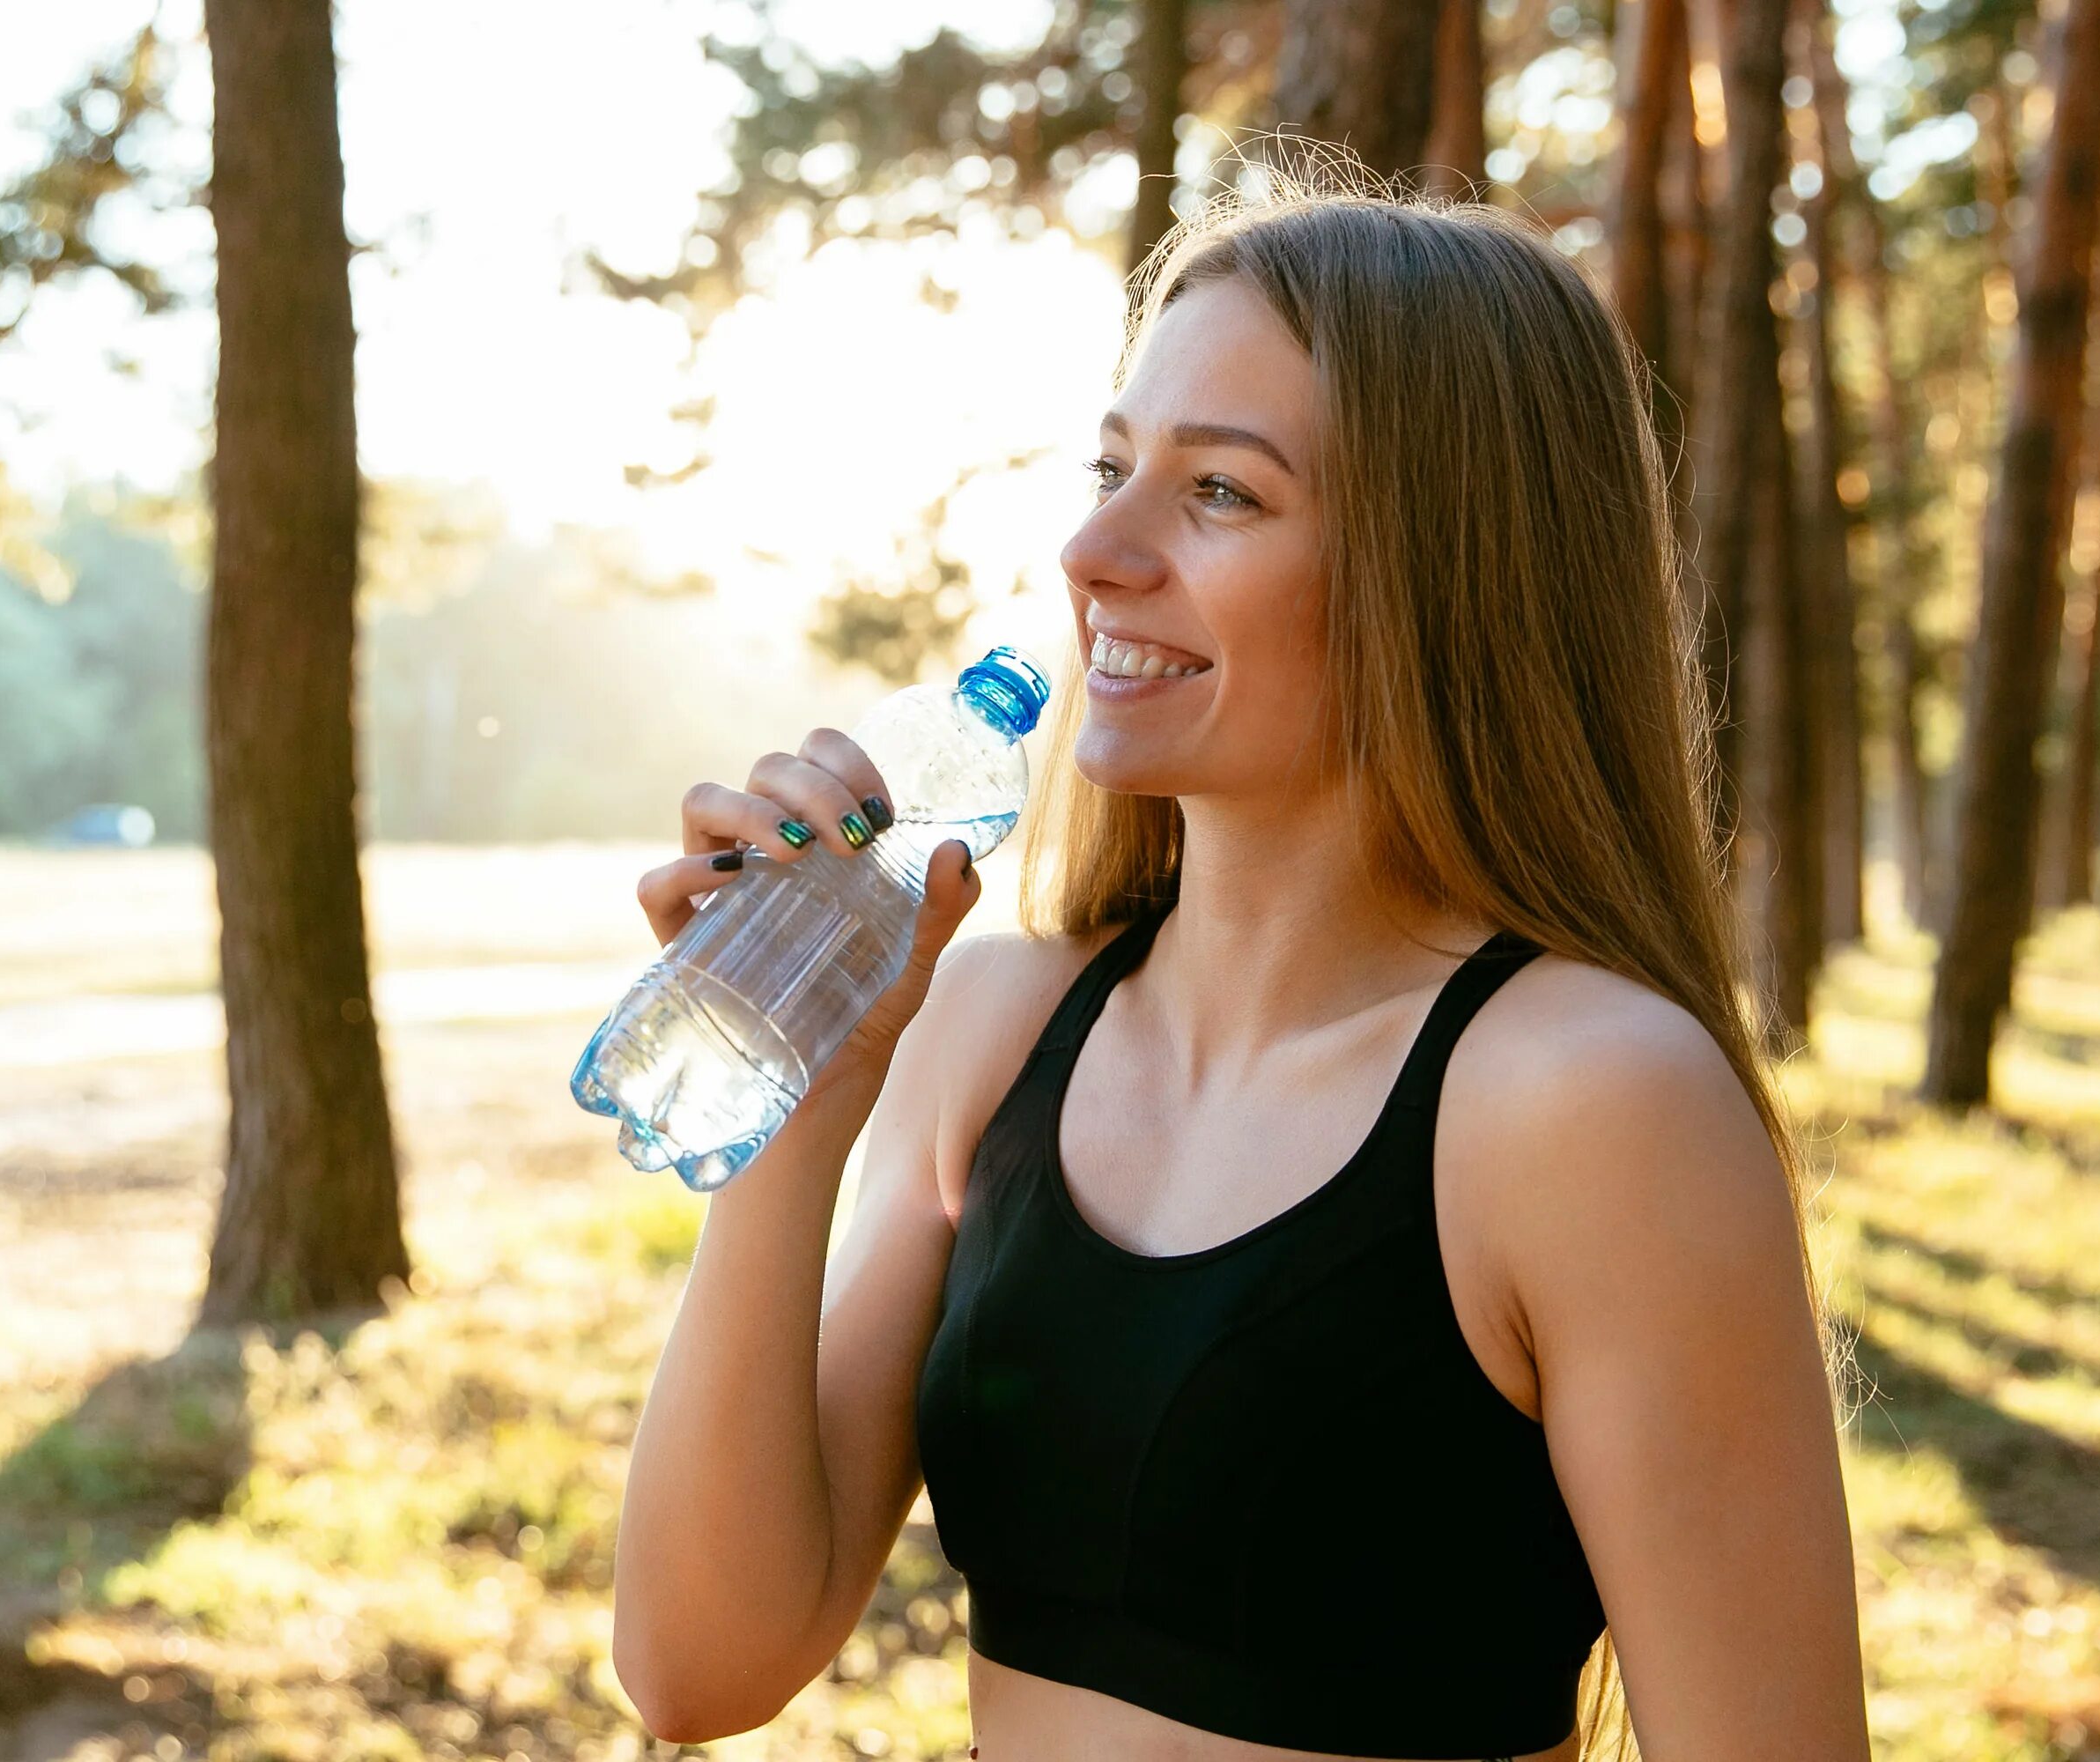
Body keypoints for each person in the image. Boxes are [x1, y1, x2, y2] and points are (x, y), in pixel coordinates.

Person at [608, 164, 1870, 1762]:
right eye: (1113, 467)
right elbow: (696, 1669)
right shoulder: (995, 1026)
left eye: (1221, 493)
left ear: (1445, 575)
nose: (1094, 548)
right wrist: (797, 1105)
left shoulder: (1585, 1100)